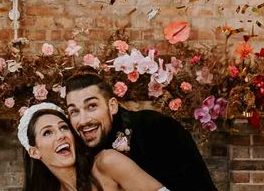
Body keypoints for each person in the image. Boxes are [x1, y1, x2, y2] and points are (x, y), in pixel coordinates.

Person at [64, 72, 218, 191]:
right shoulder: (75, 149)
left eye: (91, 106)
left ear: (112, 106)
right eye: (74, 111)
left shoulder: (156, 128)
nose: (83, 120)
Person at [19, 102, 170, 191]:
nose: (60, 135)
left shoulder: (107, 162)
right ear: (34, 152)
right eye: (47, 133)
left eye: (64, 127)